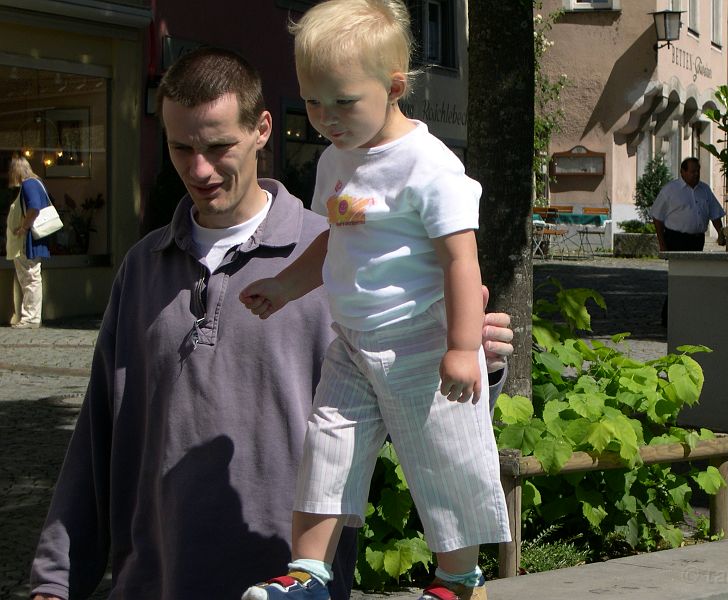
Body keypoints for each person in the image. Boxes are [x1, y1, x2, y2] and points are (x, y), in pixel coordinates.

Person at [28, 47, 514, 600]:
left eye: (219, 147)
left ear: (262, 129)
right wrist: (55, 580)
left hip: (288, 583)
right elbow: (99, 433)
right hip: (154, 583)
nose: (199, 169)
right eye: (181, 148)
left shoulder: (354, 252)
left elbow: (415, 412)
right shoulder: (143, 265)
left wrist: (475, 357)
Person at [240, 2, 510, 599]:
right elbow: (333, 239)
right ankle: (307, 574)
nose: (326, 118)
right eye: (313, 102)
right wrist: (285, 286)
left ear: (393, 88)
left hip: (424, 339)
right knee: (326, 446)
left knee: (444, 457)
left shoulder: (429, 165)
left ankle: (458, 579)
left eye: (343, 102)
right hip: (353, 342)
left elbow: (461, 260)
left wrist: (462, 347)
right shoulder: (335, 160)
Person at [650, 156, 726, 325]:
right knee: (678, 278)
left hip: (697, 240)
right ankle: (668, 316)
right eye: (692, 171)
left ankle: (686, 312)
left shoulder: (704, 190)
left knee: (692, 277)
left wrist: (721, 234)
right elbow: (657, 217)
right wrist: (662, 243)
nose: (696, 174)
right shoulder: (670, 190)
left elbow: (715, 214)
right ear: (683, 172)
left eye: (697, 171)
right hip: (677, 238)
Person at [5, 156, 51, 329]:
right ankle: (31, 317)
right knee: (31, 277)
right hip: (31, 239)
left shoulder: (29, 184)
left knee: (30, 277)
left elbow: (34, 208)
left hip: (28, 240)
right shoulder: (37, 183)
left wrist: (23, 228)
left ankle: (30, 318)